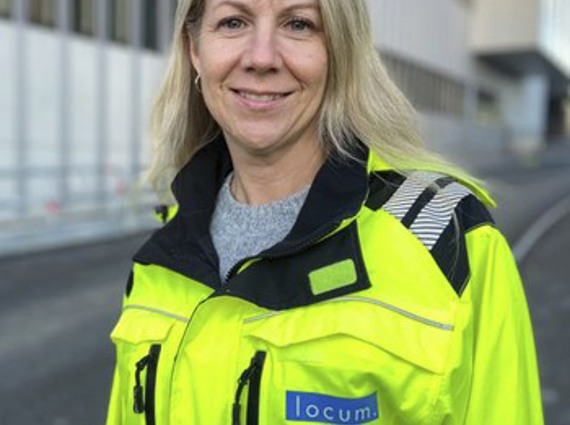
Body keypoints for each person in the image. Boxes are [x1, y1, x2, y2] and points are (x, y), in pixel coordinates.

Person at [106, 0, 544, 424]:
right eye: (233, 22)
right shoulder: (162, 259)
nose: (262, 58)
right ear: (195, 50)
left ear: (341, 50)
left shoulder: (447, 241)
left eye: (298, 24)